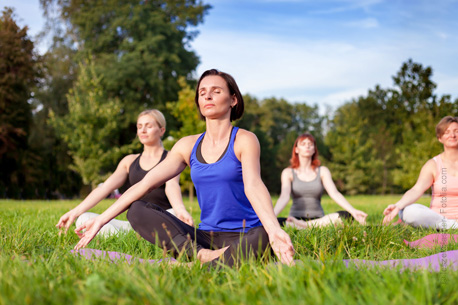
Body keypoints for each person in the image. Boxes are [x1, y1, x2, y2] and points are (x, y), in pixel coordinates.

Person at [73, 69, 295, 267]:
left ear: (233, 100)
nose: (207, 95)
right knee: (138, 209)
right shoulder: (187, 146)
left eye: (216, 91)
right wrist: (101, 220)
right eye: (202, 92)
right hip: (205, 237)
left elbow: (253, 185)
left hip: (245, 234)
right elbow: (144, 184)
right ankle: (201, 257)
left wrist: (275, 229)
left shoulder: (245, 140)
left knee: (264, 236)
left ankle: (189, 264)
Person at [56, 109, 193, 236]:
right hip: (135, 224)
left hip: (161, 220)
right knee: (84, 219)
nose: (143, 130)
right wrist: (75, 212)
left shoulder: (171, 158)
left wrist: (180, 209)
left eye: (148, 126)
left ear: (161, 130)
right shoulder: (129, 161)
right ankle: (138, 235)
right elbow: (105, 188)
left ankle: (152, 235)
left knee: (174, 213)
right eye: (139, 127)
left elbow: (172, 185)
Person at [274, 133, 367, 228]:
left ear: (314, 149)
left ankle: (304, 226)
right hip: (294, 219)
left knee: (346, 216)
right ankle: (306, 226)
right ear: (296, 150)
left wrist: (353, 211)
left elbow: (334, 193)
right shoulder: (288, 172)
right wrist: (271, 217)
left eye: (310, 144)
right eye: (303, 143)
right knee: (278, 222)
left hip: (319, 219)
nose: (307, 146)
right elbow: (283, 197)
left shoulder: (323, 171)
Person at [383, 116, 458, 229]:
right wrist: (398, 206)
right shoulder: (433, 165)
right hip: (438, 219)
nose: (452, 135)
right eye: (447, 132)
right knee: (408, 211)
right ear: (439, 138)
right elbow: (417, 189)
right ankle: (452, 226)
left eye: (456, 131)